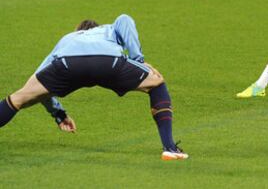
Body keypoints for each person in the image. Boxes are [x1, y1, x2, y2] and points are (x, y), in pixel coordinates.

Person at [0, 14, 189, 160]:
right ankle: (170, 148)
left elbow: (40, 85)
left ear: (78, 31)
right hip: (107, 61)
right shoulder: (107, 30)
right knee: (157, 83)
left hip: (67, 63)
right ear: (96, 28)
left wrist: (59, 115)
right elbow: (125, 19)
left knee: (19, 98)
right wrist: (137, 60)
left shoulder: (67, 39)